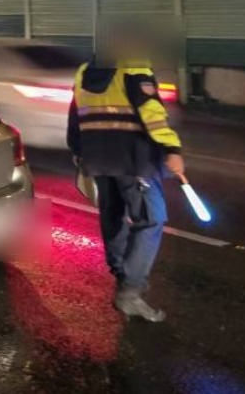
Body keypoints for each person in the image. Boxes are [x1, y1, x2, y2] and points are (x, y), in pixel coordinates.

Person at [67, 50, 185, 322]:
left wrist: (78, 149)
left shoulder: (84, 70)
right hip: (133, 160)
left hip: (97, 157)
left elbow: (75, 115)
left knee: (113, 215)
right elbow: (152, 113)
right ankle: (130, 291)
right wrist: (171, 147)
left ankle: (122, 274)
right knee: (151, 219)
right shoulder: (134, 66)